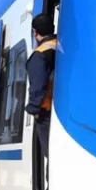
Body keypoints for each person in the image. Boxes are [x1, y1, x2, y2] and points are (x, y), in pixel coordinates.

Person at [25, 13, 57, 163]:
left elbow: (38, 85)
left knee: (51, 154)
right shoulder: (64, 46)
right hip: (66, 108)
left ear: (35, 32)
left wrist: (34, 109)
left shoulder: (40, 54)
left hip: (47, 111)